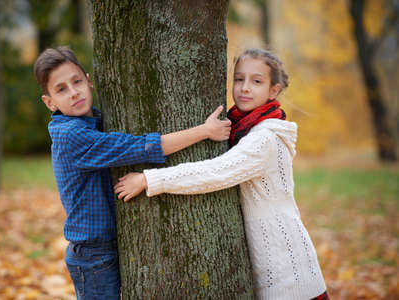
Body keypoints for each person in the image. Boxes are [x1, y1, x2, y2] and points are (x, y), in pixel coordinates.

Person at [114, 48, 329, 300]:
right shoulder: (244, 129)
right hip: (272, 260)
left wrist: (148, 179)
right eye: (239, 79)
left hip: (287, 267)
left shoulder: (265, 138)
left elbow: (216, 172)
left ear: (274, 91)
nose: (245, 88)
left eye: (256, 81)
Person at [33, 46, 231, 300]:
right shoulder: (72, 135)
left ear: (89, 82)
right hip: (93, 257)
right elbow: (139, 148)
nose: (73, 93)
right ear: (49, 102)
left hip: (105, 249)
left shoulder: (90, 121)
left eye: (77, 82)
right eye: (61, 89)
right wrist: (205, 131)